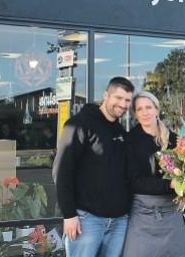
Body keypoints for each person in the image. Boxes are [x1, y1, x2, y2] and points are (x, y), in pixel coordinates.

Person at [52, 76, 135, 257]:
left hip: (119, 221)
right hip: (86, 220)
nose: (123, 104)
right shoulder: (79, 124)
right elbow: (62, 170)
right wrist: (69, 214)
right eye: (118, 98)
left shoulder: (120, 131)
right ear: (106, 95)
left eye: (127, 100)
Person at [122, 91, 185, 257]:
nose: (145, 112)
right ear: (135, 114)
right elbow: (135, 181)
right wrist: (170, 185)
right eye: (140, 109)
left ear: (157, 109)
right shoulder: (130, 140)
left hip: (171, 213)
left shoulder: (174, 139)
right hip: (142, 214)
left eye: (149, 107)